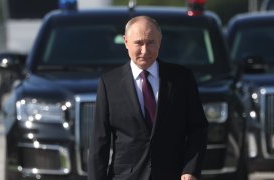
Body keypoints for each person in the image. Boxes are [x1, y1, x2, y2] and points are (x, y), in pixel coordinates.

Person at [88, 16, 208, 180]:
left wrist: (190, 169)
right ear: (126, 41)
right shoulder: (109, 83)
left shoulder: (181, 79)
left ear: (160, 41)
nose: (145, 50)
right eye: (138, 43)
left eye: (151, 42)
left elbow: (198, 129)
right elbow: (99, 141)